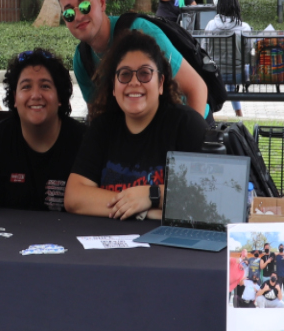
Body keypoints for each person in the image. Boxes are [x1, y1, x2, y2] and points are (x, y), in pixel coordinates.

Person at [65, 30, 207, 220]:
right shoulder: (102, 128)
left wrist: (151, 195)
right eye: (124, 75)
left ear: (160, 83)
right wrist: (141, 208)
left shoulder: (187, 125)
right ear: (114, 87)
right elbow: (74, 197)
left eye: (144, 73)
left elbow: (208, 195)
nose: (134, 82)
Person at [55, 0, 209, 117]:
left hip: (188, 121)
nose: (78, 16)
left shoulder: (140, 31)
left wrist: (190, 138)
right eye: (69, 13)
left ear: (102, 2)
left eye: (84, 6)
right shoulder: (82, 59)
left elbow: (197, 89)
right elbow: (98, 116)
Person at [0, 49, 87, 211]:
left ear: (60, 97)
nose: (35, 95)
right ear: (15, 98)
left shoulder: (85, 142)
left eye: (45, 86)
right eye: (26, 86)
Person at [204, 0, 252, 117]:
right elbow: (248, 55)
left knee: (223, 73)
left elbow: (204, 50)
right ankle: (239, 113)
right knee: (239, 72)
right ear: (236, 5)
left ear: (219, 5)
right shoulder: (244, 28)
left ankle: (210, 113)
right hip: (238, 75)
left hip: (215, 75)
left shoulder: (210, 25)